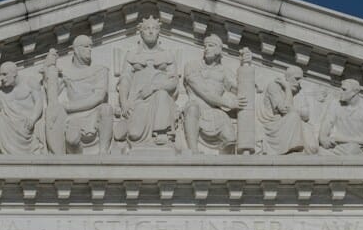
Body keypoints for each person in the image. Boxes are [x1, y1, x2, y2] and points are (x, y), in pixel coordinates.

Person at [114, 17, 179, 151]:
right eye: (147, 28)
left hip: (161, 102)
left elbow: (173, 82)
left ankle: (161, 132)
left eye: (154, 28)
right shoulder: (132, 54)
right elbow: (125, 79)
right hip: (138, 100)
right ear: (141, 32)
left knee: (161, 95)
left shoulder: (167, 55)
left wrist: (154, 87)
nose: (150, 32)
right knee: (134, 134)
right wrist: (124, 102)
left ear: (158, 32)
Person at [43, 36, 112, 154]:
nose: (89, 49)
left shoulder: (100, 70)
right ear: (76, 50)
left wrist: (69, 106)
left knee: (106, 109)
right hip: (73, 118)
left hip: (94, 113)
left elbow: (99, 97)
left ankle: (103, 151)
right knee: (72, 140)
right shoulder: (66, 73)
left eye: (90, 46)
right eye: (86, 46)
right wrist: (49, 68)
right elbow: (52, 97)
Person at [182, 34, 248, 154]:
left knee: (231, 140)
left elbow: (242, 89)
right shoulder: (192, 66)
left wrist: (245, 65)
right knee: (192, 108)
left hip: (216, 113)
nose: (206, 48)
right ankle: (193, 151)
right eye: (205, 46)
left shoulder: (224, 72)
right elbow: (204, 91)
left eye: (211, 45)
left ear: (219, 49)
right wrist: (229, 103)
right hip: (197, 110)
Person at [0, 61, 45, 154]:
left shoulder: (29, 82)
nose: (2, 78)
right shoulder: (1, 91)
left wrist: (33, 119)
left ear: (14, 73)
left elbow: (39, 102)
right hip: (8, 127)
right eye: (0, 75)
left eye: (4, 74)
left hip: (26, 126)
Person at [258, 64, 318, 155]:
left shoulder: (299, 91)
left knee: (313, 146)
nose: (299, 82)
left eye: (300, 79)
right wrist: (287, 89)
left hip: (289, 123)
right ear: (287, 78)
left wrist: (294, 110)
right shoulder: (274, 86)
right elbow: (285, 109)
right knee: (294, 116)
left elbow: (306, 115)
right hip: (273, 125)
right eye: (296, 78)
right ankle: (293, 149)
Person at [318, 79, 363, 155]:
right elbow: (326, 124)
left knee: (353, 152)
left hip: (359, 148)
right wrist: (323, 138)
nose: (340, 92)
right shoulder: (335, 105)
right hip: (337, 147)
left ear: (354, 92)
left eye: (344, 89)